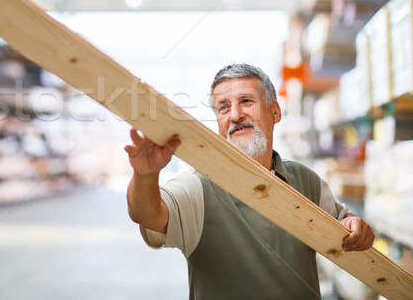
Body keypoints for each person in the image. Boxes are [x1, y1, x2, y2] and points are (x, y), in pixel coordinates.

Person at [125, 63, 374, 300]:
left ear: (275, 111)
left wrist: (355, 226)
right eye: (223, 107)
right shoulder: (197, 189)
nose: (235, 115)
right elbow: (147, 213)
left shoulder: (306, 180)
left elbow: (345, 228)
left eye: (246, 101)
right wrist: (145, 175)